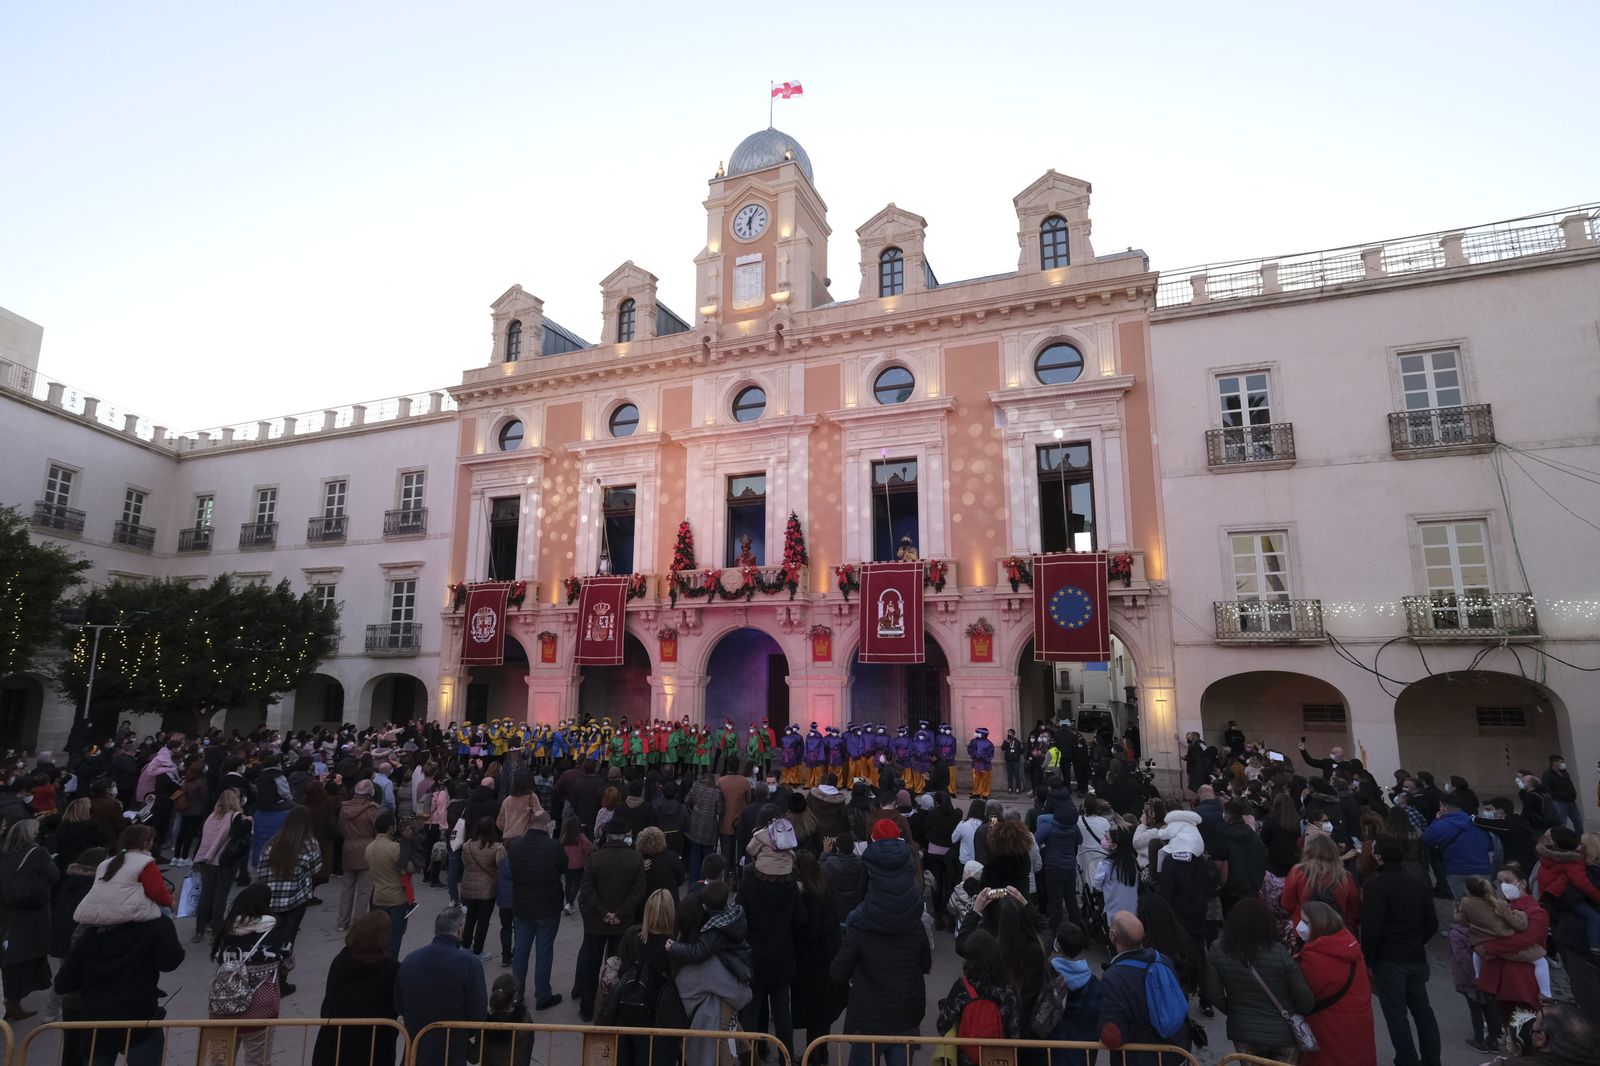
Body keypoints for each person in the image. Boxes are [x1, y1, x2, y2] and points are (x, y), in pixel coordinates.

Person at [830, 825, 933, 1066]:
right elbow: (925, 963)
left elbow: (837, 972)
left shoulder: (860, 926)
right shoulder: (915, 923)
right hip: (907, 1014)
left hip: (870, 1020)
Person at [54, 906, 184, 1066]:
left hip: (98, 1025)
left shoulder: (88, 934)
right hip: (140, 1021)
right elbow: (170, 962)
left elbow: (63, 984)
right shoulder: (156, 925)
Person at [1202, 897, 1315, 1062]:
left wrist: (1235, 1010)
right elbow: (1304, 998)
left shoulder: (1218, 950)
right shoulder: (1279, 952)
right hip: (1282, 1033)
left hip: (1243, 1031)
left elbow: (1213, 993)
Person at [1361, 837, 1441, 1066]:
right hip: (1414, 955)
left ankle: (1406, 1059)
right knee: (1422, 1011)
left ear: (1379, 857)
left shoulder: (1376, 887)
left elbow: (1372, 928)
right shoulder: (1418, 883)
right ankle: (1431, 1059)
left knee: (1396, 1014)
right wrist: (1417, 941)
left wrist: (1369, 959)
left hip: (1389, 958)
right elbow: (1431, 922)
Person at [1096, 911, 1193, 1066]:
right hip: (1177, 1052)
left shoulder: (1113, 977)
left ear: (1113, 936)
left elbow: (1113, 1036)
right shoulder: (1162, 959)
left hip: (1140, 1058)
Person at [396, 907, 488, 1066]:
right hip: (451, 1050)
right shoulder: (469, 963)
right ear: (460, 930)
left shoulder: (410, 960)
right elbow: (478, 1013)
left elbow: (399, 1004)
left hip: (416, 1048)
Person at [599, 888, 679, 1066]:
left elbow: (623, 969)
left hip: (630, 1012)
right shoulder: (673, 949)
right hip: (657, 1020)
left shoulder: (632, 937)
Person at [577, 819, 647, 1021]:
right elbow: (638, 891)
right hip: (622, 925)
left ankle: (587, 1008)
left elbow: (586, 890)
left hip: (596, 923)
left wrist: (603, 913)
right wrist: (620, 914)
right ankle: (611, 1008)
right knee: (618, 968)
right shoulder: (635, 859)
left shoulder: (595, 858)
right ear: (626, 836)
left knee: (591, 966)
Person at [312, 911, 402, 1066]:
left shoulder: (340, 961)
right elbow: (398, 1005)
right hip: (373, 1046)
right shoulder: (391, 969)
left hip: (335, 1044)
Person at [208, 884, 283, 1065]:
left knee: (219, 1062)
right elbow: (289, 963)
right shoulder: (276, 933)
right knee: (257, 1062)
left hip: (222, 1009)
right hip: (260, 1011)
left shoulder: (226, 931)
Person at [1293, 899, 1374, 1066]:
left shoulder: (1314, 959)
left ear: (1319, 925)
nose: (1300, 926)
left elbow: (1301, 997)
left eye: (1306, 922)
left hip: (1328, 1028)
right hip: (1357, 1025)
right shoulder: (1350, 948)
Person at [255, 806, 324, 997]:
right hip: (295, 899)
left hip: (271, 900)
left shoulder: (273, 843)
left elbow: (260, 870)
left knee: (270, 939)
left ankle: (267, 976)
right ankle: (281, 980)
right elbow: (316, 868)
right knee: (288, 939)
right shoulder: (309, 843)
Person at [0, 818, 59, 1019]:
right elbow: (54, 875)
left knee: (12, 955)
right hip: (34, 913)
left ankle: (10, 1001)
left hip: (9, 913)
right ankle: (13, 1002)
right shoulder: (38, 853)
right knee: (27, 955)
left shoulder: (6, 855)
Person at [935, 929, 1022, 1066]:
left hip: (966, 1059)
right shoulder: (1007, 987)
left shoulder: (963, 987)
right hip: (997, 1059)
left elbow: (942, 1025)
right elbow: (1014, 1031)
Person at [508, 809, 565, 1010]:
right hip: (547, 907)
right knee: (544, 951)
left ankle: (516, 994)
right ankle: (542, 995)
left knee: (521, 951)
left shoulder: (516, 845)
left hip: (522, 906)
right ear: (547, 825)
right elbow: (563, 867)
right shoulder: (553, 846)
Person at [793, 850, 846, 1051]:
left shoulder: (809, 895)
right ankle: (821, 1051)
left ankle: (812, 1053)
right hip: (830, 954)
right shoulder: (824, 887)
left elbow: (811, 930)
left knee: (814, 1011)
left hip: (814, 960)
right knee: (825, 1009)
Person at [192, 787, 250, 944]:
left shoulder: (212, 816)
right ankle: (216, 932)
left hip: (205, 860)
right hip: (224, 861)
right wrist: (248, 821)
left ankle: (199, 930)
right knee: (220, 897)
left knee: (206, 895)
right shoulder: (235, 817)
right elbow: (239, 835)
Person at [1043, 922, 1101, 1066]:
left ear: (1058, 945)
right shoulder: (1093, 981)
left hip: (1055, 1051)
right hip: (1084, 1053)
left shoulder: (1050, 974)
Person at [1281, 832, 1361, 934]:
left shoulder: (1297, 872)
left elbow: (1287, 904)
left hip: (1306, 930)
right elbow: (1355, 911)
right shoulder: (1345, 877)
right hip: (1337, 929)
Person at [1420, 788, 1494, 898]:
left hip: (1457, 870)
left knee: (1463, 902)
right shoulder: (1477, 823)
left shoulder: (1443, 825)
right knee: (1486, 901)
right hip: (1483, 869)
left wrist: (1436, 820)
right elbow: (1490, 846)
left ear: (1445, 808)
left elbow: (1426, 838)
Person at [367, 811, 415, 960]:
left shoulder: (369, 847)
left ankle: (376, 961)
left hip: (377, 896)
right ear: (390, 828)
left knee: (378, 936)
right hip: (396, 899)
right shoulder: (395, 848)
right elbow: (409, 868)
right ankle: (390, 965)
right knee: (394, 937)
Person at [461, 816, 507, 960]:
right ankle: (478, 950)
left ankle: (465, 945)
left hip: (468, 887)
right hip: (487, 889)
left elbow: (464, 862)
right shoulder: (496, 848)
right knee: (483, 921)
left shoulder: (467, 845)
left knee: (470, 918)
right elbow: (502, 867)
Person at [480, 974, 535, 1066]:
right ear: (515, 996)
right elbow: (528, 1049)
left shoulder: (485, 1026)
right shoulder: (526, 1020)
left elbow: (474, 1057)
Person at [560, 814, 594, 915]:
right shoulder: (580, 836)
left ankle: (568, 903)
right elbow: (588, 847)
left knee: (568, 884)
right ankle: (570, 903)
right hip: (578, 864)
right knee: (577, 884)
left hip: (567, 865)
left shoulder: (565, 836)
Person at [1542, 754, 1584, 832]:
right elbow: (1547, 789)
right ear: (1554, 763)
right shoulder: (1548, 774)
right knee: (1562, 823)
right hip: (1560, 803)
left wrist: (1573, 793)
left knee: (1578, 821)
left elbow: (1570, 783)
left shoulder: (1564, 772)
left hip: (1571, 801)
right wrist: (1560, 795)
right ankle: (1562, 838)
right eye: (1561, 762)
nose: (1563, 764)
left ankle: (1580, 837)